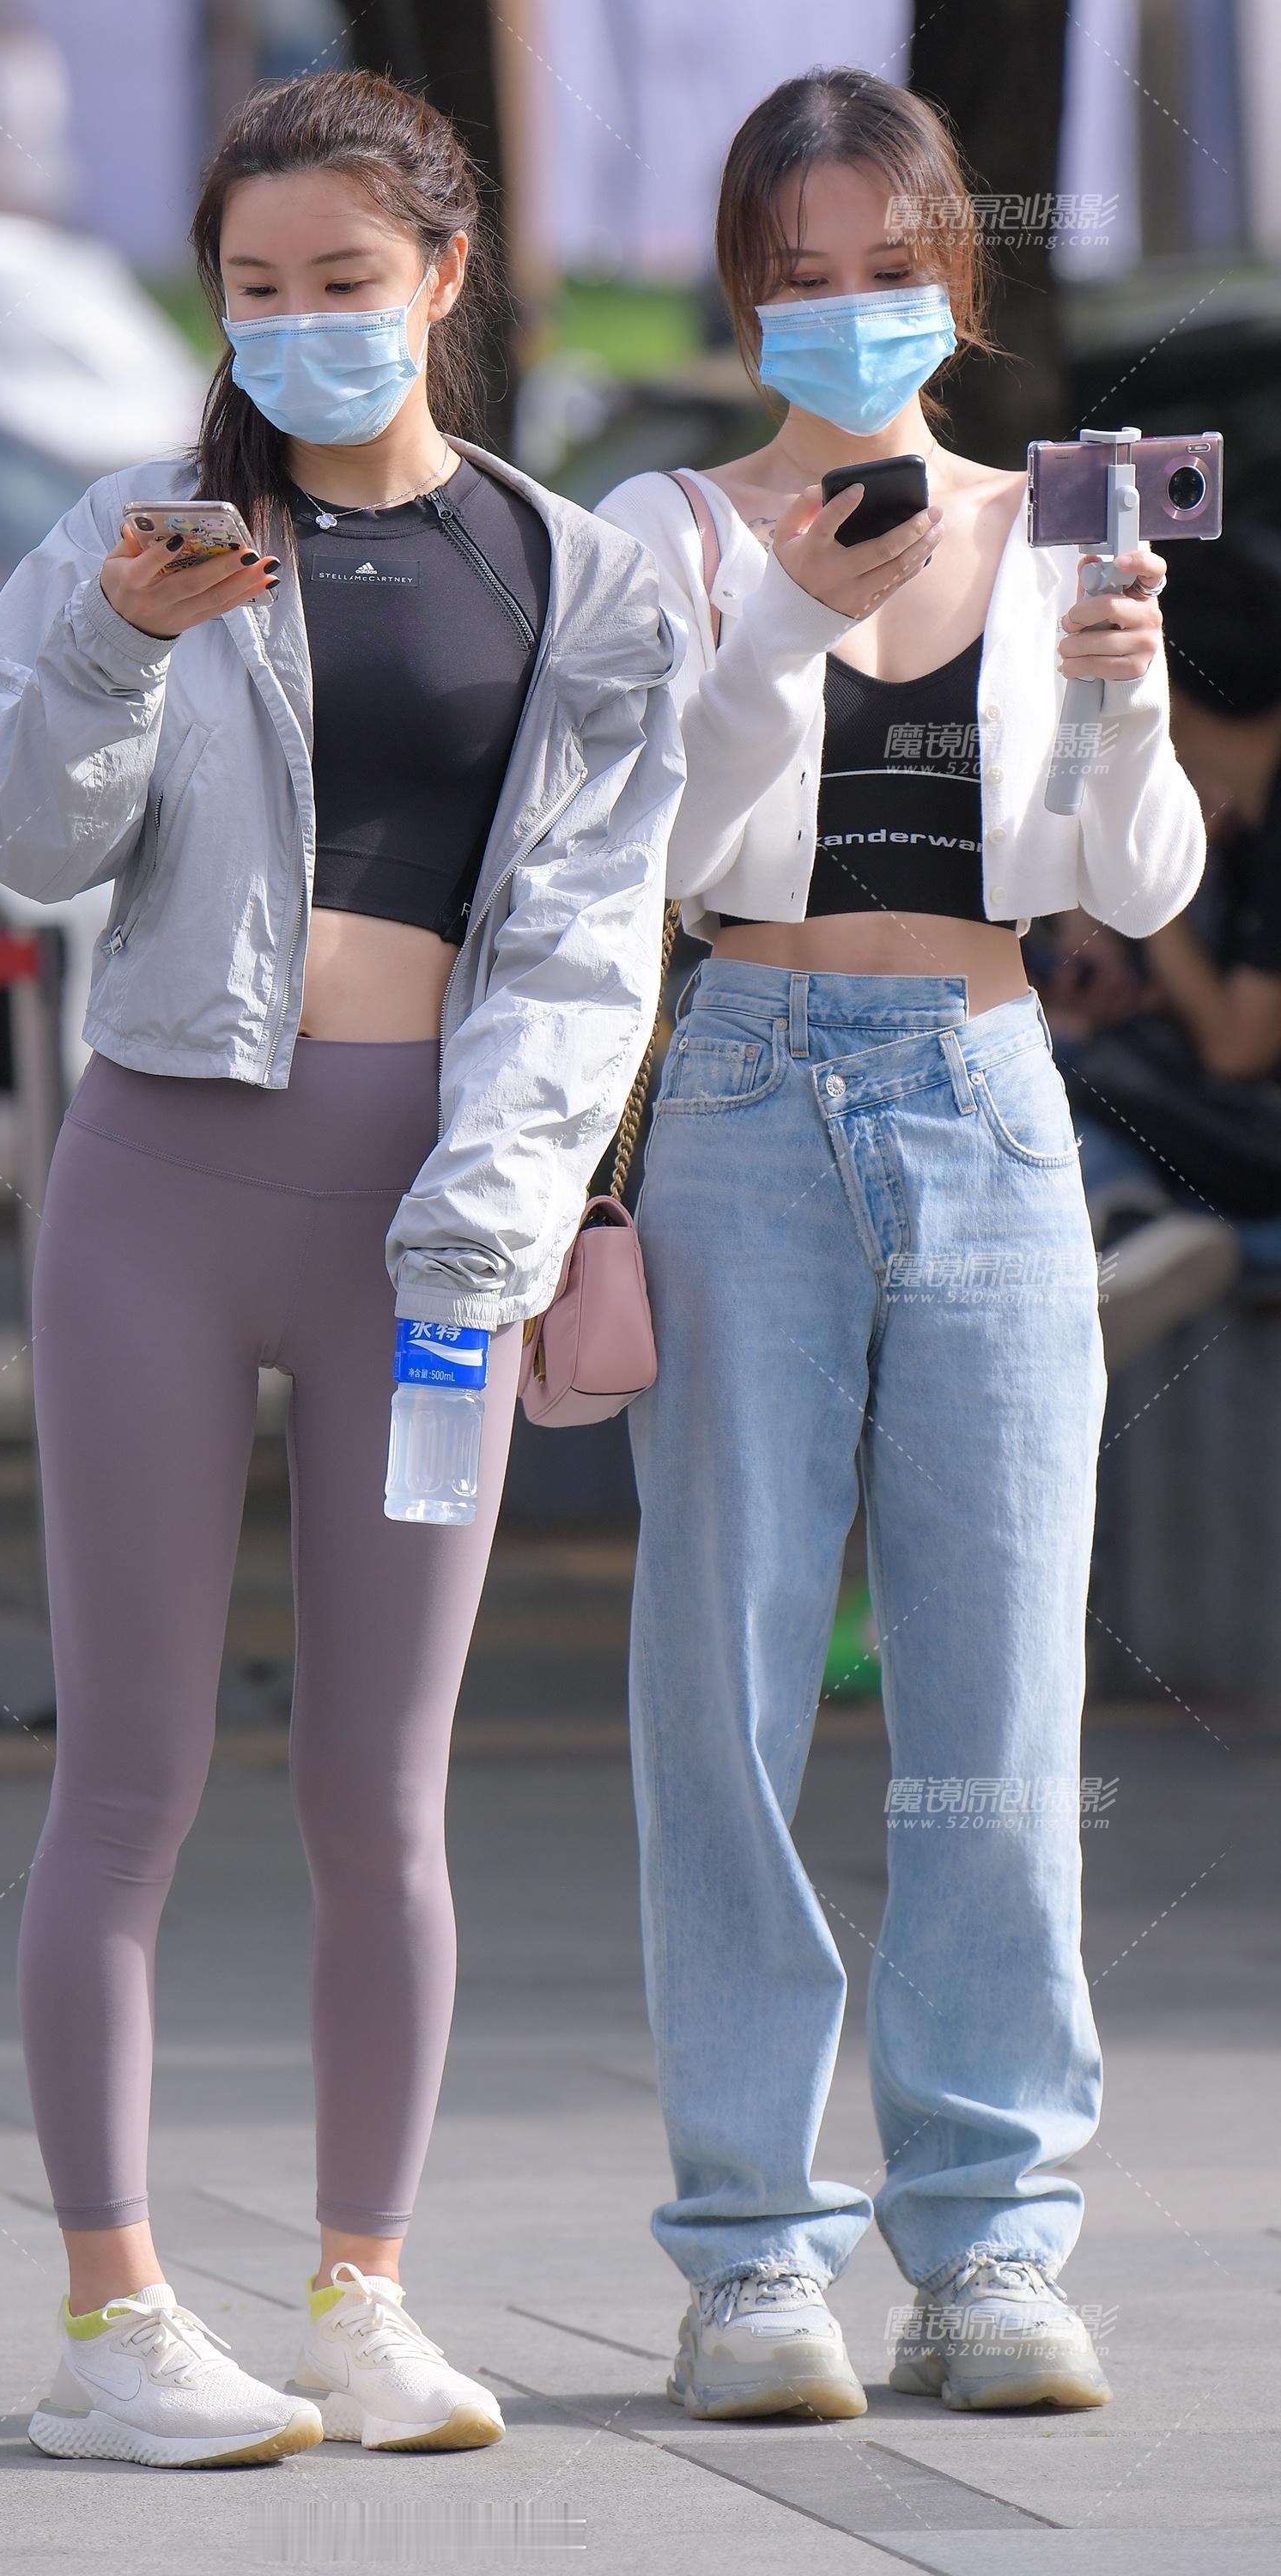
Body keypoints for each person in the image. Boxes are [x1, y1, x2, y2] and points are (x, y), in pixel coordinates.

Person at [0, 68, 691, 2469]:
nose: (298, 326)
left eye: (344, 282)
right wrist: (112, 650)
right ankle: (111, 2321)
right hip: (158, 1188)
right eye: (254, 289)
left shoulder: (571, 571)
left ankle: (364, 2294)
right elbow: (14, 833)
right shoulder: (133, 536)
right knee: (130, 1775)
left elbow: (590, 927)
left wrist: (502, 1197)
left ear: (445, 279)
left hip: (434, 1213)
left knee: (382, 1788)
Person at [597, 66, 1204, 2422]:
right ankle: (751, 2251)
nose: (846, 312)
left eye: (886, 270)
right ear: (742, 291)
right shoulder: (667, 530)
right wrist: (783, 624)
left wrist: (1127, 701)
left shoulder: (1053, 525)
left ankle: (991, 2240)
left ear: (957, 283)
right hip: (744, 1086)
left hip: (983, 1081)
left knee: (998, 1696)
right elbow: (660, 848)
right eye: (799, 275)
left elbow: (1125, 882)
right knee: (723, 1684)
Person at [1042, 530, 1281, 1364]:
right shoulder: (1247, 809)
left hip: (1264, 1184)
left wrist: (1147, 900)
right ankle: (1125, 1223)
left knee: (1048, 1054)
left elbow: (1234, 1047)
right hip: (1247, 1151)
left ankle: (1122, 1221)